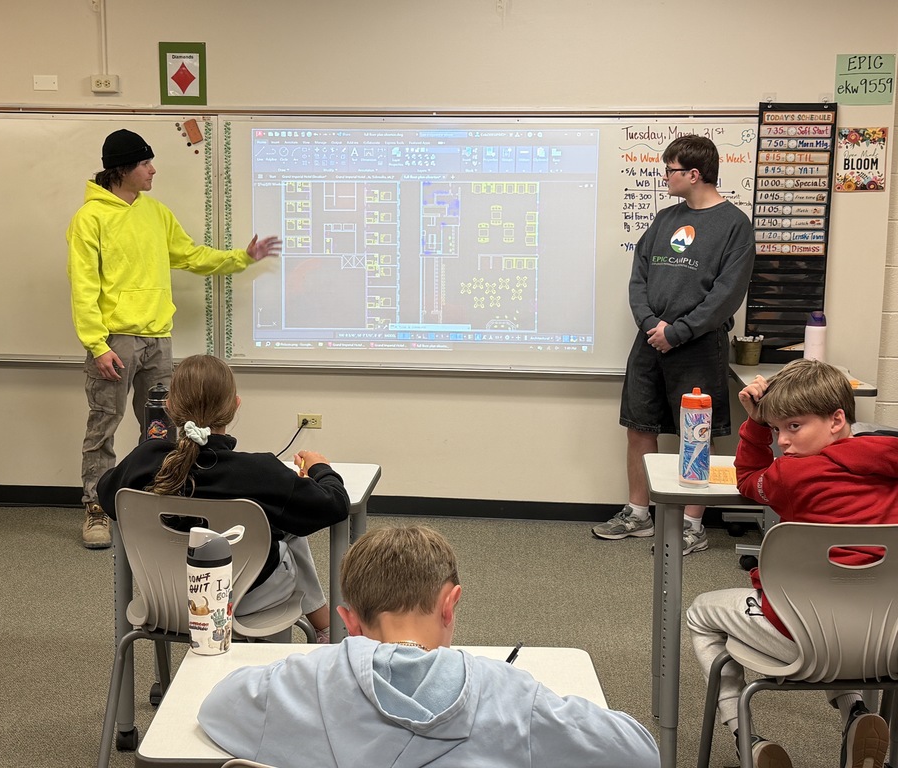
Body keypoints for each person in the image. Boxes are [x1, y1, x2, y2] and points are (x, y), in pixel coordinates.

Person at [198, 525, 660, 767]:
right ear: (450, 604)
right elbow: (640, 754)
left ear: (348, 621)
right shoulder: (514, 699)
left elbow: (215, 708)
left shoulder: (301, 682)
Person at [67, 128, 281, 549]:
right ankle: (96, 509)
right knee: (103, 426)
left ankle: (156, 503)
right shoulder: (89, 219)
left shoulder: (156, 213)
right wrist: (97, 345)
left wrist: (241, 258)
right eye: (145, 163)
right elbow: (83, 286)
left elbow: (191, 255)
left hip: (158, 339)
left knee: (164, 428)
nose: (153, 170)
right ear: (122, 169)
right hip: (114, 341)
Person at [687, 358, 897, 768]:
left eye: (794, 426)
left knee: (699, 613)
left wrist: (755, 425)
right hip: (887, 643)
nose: (782, 441)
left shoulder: (790, 475)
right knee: (842, 606)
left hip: (805, 640)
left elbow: (747, 478)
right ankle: (857, 713)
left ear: (836, 420)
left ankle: (746, 738)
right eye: (776, 429)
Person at [97, 353, 347, 642]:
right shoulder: (260, 472)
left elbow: (107, 495)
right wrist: (320, 468)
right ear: (235, 405)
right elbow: (334, 504)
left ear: (169, 406)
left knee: (279, 528)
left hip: (165, 599)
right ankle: (326, 629)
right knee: (283, 530)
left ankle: (323, 625)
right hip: (242, 600)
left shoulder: (145, 459)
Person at [593, 135, 755, 555]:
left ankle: (691, 525)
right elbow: (639, 277)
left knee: (696, 434)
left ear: (694, 174)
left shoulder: (734, 225)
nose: (665, 176)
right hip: (650, 341)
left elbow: (726, 294)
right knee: (639, 425)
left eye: (671, 170)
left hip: (698, 345)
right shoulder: (665, 219)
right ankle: (638, 514)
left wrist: (678, 331)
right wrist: (651, 325)